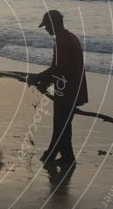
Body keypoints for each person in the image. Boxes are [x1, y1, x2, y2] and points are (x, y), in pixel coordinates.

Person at [27, 9, 88, 166]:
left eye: (47, 25)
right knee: (63, 125)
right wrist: (45, 83)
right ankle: (67, 157)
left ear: (54, 24)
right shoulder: (67, 38)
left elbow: (58, 69)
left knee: (60, 124)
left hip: (69, 90)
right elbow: (60, 69)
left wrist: (37, 78)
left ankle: (51, 155)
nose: (46, 29)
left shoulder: (63, 41)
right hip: (69, 87)